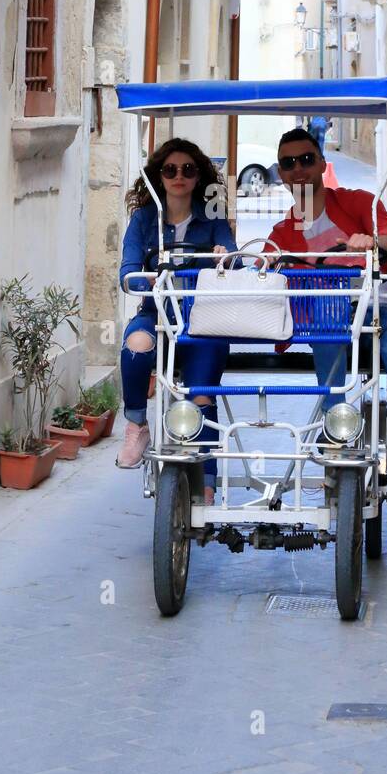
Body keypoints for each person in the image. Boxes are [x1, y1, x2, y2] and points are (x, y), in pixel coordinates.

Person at [266, 128, 387, 552]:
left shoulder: (359, 202)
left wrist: (370, 242)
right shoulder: (282, 232)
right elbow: (262, 267)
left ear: (321, 164)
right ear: (281, 174)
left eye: (306, 160)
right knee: (325, 331)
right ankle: (336, 446)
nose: (298, 169)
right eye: (288, 163)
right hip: (332, 320)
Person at [118, 139, 237, 503]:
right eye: (170, 169)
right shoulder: (144, 219)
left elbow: (235, 261)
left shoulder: (213, 217)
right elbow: (127, 272)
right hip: (157, 314)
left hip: (203, 320)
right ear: (159, 175)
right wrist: (150, 279)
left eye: (188, 169)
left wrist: (224, 258)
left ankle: (206, 482)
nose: (179, 176)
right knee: (136, 346)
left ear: (199, 176)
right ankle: (137, 424)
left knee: (201, 394)